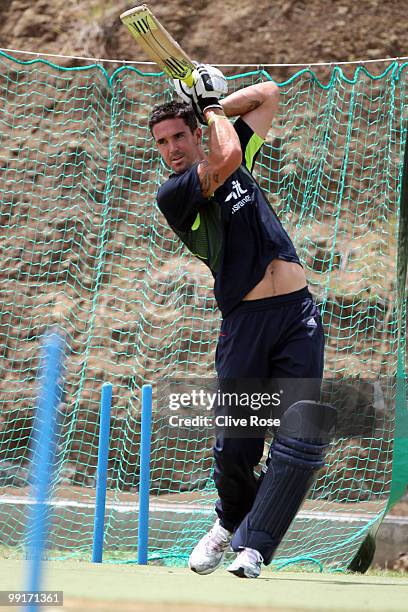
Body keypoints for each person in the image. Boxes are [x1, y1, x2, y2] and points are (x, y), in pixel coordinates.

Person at [148, 65, 329, 578]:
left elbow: (269, 93)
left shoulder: (230, 147)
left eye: (180, 135)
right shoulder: (178, 192)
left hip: (296, 314)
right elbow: (224, 156)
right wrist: (206, 109)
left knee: (302, 436)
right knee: (237, 445)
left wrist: (215, 99)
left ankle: (253, 547)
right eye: (162, 142)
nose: (173, 148)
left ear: (195, 134)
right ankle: (228, 521)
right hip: (246, 322)